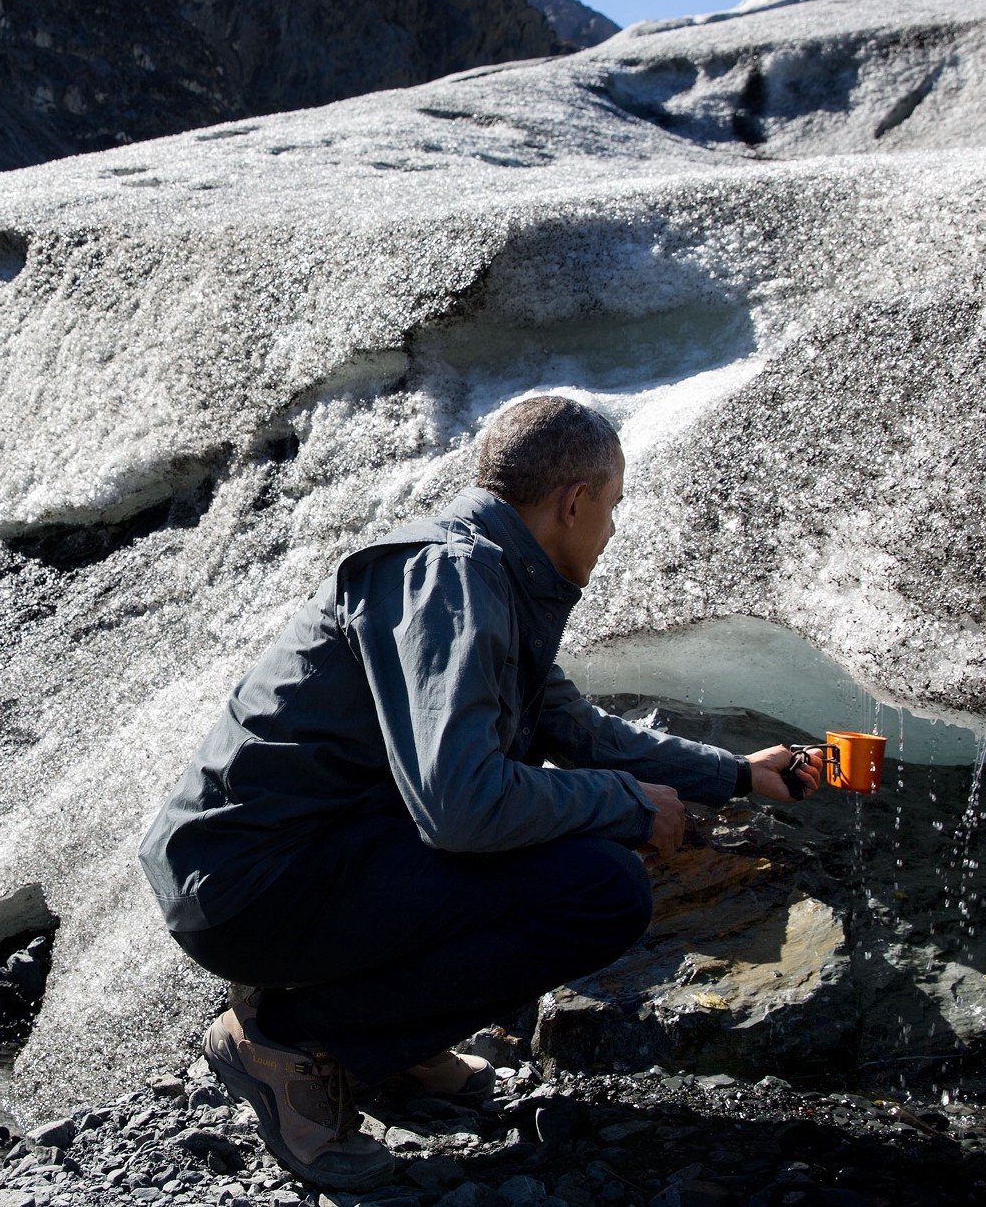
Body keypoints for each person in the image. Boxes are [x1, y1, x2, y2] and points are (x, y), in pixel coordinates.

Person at [138, 395, 823, 1190]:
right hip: (250, 885)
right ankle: (293, 1045)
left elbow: (582, 730)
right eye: (612, 506)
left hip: (285, 863)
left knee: (557, 840)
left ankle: (388, 1051)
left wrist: (738, 773)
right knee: (600, 886)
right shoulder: (451, 580)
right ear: (574, 502)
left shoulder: (486, 575)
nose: (611, 530)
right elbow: (462, 803)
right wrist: (626, 804)